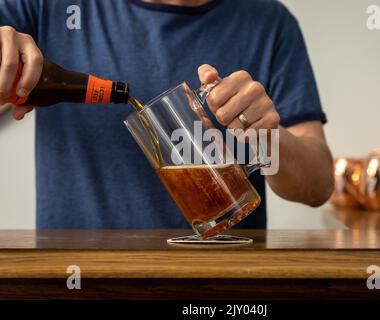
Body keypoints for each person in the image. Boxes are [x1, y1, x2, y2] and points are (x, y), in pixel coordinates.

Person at [0, 0, 334, 229]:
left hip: (221, 284)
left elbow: (318, 186)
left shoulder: (271, 23)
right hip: (79, 278)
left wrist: (268, 138)